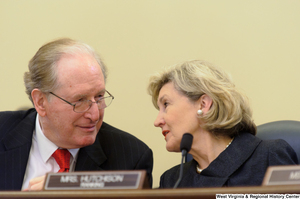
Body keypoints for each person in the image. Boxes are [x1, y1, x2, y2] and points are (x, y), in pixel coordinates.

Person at [0, 38, 153, 191]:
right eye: (79, 100)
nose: (94, 115)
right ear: (41, 102)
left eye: (99, 97)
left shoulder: (130, 157)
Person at [147, 60, 298, 188]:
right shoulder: (172, 181)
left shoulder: (269, 157)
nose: (157, 122)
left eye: (166, 104)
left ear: (203, 104)